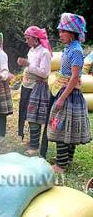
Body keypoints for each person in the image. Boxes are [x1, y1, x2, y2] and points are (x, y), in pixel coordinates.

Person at [47, 13, 91, 173]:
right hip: (64, 91)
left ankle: (61, 165)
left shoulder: (76, 51)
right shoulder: (68, 49)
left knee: (61, 126)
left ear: (72, 33)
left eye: (63, 32)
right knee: (67, 127)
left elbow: (74, 78)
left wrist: (61, 99)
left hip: (70, 95)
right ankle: (66, 159)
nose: (60, 35)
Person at [17, 26, 52, 155]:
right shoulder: (31, 51)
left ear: (35, 39)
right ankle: (33, 140)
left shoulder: (45, 53)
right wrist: (25, 65)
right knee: (26, 113)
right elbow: (30, 68)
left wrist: (28, 65)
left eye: (28, 38)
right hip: (27, 85)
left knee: (34, 116)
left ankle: (34, 147)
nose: (26, 41)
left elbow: (44, 73)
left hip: (37, 87)